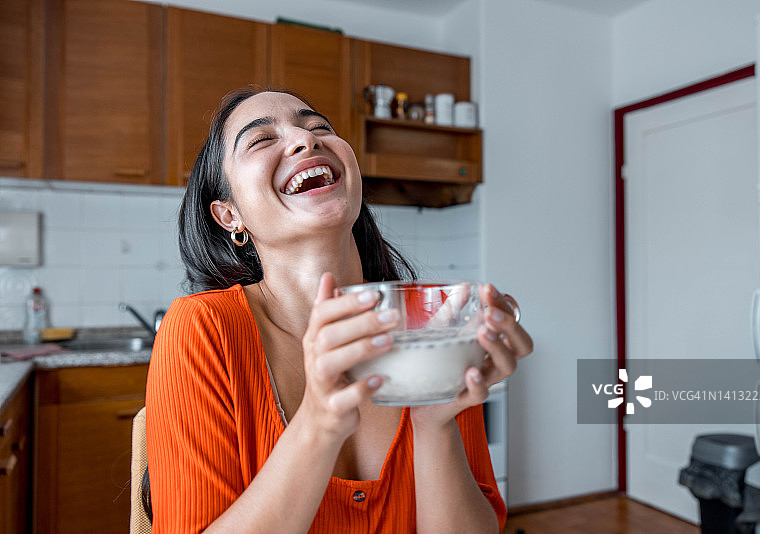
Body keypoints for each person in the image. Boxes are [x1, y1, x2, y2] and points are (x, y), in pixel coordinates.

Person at [145, 87, 534, 534]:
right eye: (260, 139)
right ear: (229, 214)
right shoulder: (202, 328)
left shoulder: (428, 326)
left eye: (318, 128)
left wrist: (433, 425)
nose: (305, 140)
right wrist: (319, 424)